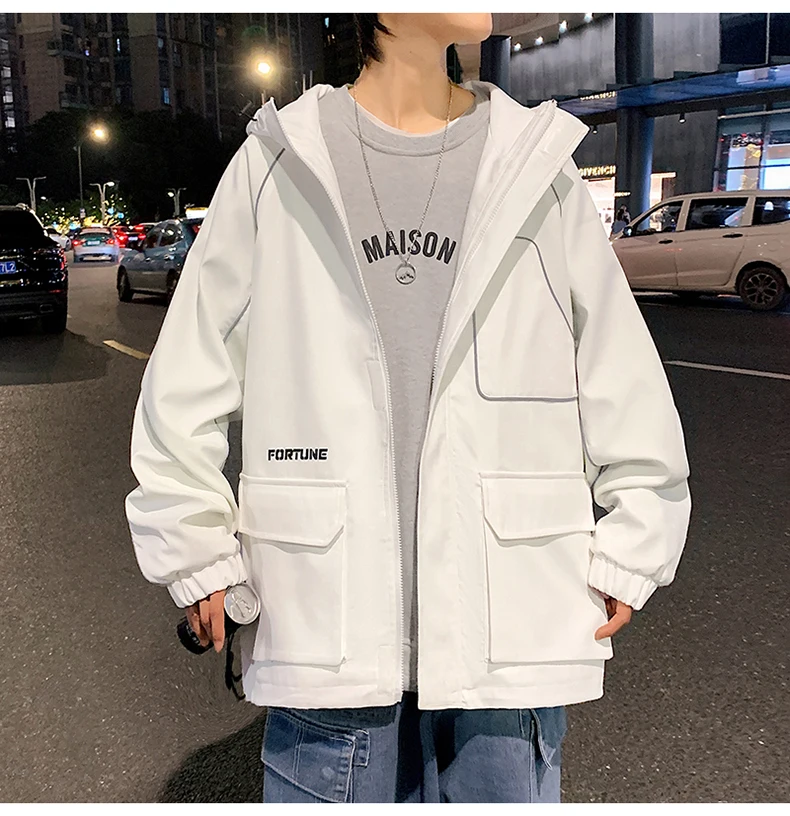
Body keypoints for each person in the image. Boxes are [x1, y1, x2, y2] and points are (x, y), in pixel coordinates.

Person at [125, 12, 691, 804]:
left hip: (509, 630)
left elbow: (618, 364)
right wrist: (193, 549)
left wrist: (637, 539)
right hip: (325, 625)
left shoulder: (534, 162)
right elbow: (188, 373)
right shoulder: (279, 161)